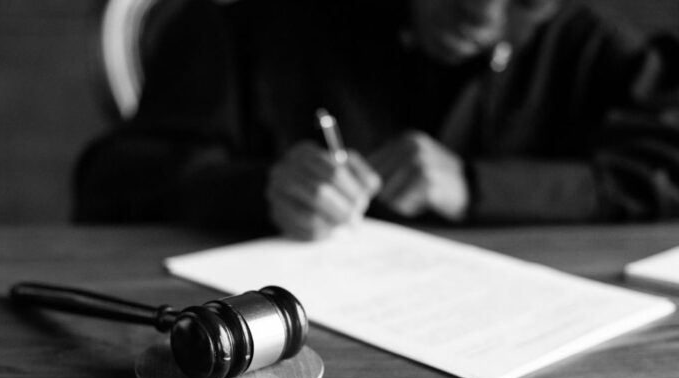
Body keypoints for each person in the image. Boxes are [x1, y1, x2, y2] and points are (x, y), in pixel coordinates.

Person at [75, 0, 679, 239]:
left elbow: (664, 170)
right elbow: (111, 182)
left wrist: (477, 186)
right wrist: (258, 188)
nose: (482, 9)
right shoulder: (254, 25)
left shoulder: (587, 47)